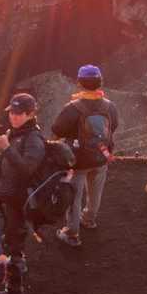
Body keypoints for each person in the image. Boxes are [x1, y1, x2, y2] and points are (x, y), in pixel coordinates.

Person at [0, 93, 47, 294]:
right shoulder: (16, 133)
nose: (13, 116)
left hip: (18, 200)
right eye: (11, 112)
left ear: (30, 114)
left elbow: (27, 170)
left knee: (12, 244)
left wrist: (6, 147)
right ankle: (18, 268)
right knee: (11, 239)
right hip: (8, 196)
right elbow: (5, 161)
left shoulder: (34, 140)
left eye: (19, 113)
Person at [50, 64, 119, 247]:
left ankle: (72, 233)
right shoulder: (109, 106)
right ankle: (89, 219)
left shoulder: (73, 108)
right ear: (100, 82)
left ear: (79, 83)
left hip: (78, 160)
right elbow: (114, 126)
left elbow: (57, 129)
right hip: (101, 156)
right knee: (95, 192)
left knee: (74, 195)